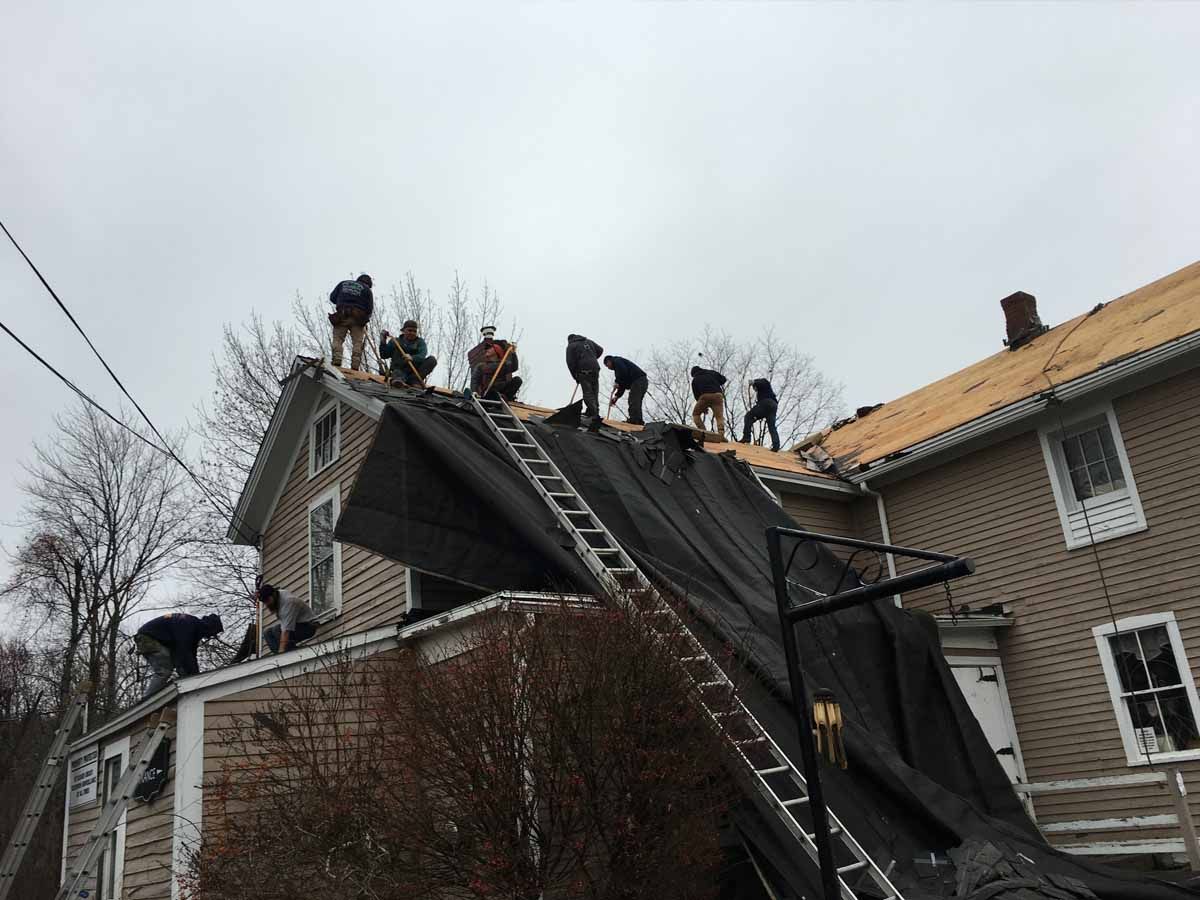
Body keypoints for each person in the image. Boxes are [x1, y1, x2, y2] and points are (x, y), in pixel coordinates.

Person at [135, 613, 224, 697]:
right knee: (164, 671)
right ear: (210, 627)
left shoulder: (194, 629)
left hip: (152, 639)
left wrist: (195, 676)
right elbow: (183, 652)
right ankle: (147, 700)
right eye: (213, 633)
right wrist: (193, 676)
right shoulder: (188, 625)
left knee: (179, 664)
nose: (210, 636)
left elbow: (191, 656)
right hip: (147, 638)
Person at [328, 273, 374, 371]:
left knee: (338, 339)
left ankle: (337, 359)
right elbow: (369, 309)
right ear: (369, 283)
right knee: (357, 342)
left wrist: (344, 300)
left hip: (341, 316)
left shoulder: (343, 283)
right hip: (358, 318)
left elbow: (332, 298)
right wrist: (365, 319)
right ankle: (355, 365)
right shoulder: (367, 290)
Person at [257, 583, 319, 654]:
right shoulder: (278, 595)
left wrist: (281, 651)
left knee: (277, 630)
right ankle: (280, 656)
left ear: (273, 594)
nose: (267, 604)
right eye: (264, 602)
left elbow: (286, 631)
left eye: (267, 600)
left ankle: (289, 654)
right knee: (267, 633)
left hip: (310, 626)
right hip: (298, 624)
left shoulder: (288, 602)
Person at [468, 325, 522, 401]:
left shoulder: (502, 365)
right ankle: (499, 397)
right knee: (493, 392)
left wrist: (513, 353)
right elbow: (474, 380)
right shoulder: (481, 366)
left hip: (502, 390)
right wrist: (474, 391)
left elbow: (514, 367)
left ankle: (505, 397)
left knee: (517, 380)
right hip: (489, 392)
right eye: (486, 348)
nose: (487, 350)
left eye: (489, 348)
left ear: (497, 351)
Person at [380, 319, 437, 387]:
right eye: (410, 330)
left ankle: (415, 381)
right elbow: (384, 355)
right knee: (397, 374)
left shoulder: (420, 342)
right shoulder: (395, 341)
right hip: (399, 370)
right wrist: (383, 342)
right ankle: (398, 381)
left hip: (414, 373)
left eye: (414, 331)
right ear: (403, 331)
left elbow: (422, 355)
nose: (412, 333)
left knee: (432, 360)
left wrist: (412, 358)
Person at [566, 334, 605, 431]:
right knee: (594, 391)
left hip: (584, 370)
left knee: (588, 393)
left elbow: (570, 362)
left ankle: (594, 413)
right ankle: (592, 411)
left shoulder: (571, 346)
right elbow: (600, 349)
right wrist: (592, 357)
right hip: (595, 368)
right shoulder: (588, 341)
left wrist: (575, 376)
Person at [603, 355, 648, 426]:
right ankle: (638, 421)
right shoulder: (619, 366)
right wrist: (616, 397)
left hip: (638, 381)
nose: (608, 368)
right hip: (642, 381)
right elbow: (622, 385)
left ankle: (634, 420)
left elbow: (622, 372)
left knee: (633, 400)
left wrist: (617, 381)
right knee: (636, 401)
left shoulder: (617, 361)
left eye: (607, 365)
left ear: (609, 361)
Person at [740, 378, 781, 452]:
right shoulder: (766, 391)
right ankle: (776, 445)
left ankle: (746, 437)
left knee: (748, 416)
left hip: (766, 403)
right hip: (773, 406)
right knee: (772, 426)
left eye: (755, 388)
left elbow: (762, 382)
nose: (755, 389)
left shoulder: (763, 382)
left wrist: (754, 382)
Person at [690, 365, 727, 435]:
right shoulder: (712, 373)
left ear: (694, 374)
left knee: (696, 415)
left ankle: (703, 432)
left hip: (704, 397)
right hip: (718, 396)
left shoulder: (695, 380)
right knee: (719, 417)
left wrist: (703, 408)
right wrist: (716, 382)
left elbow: (696, 395)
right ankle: (721, 433)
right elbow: (723, 379)